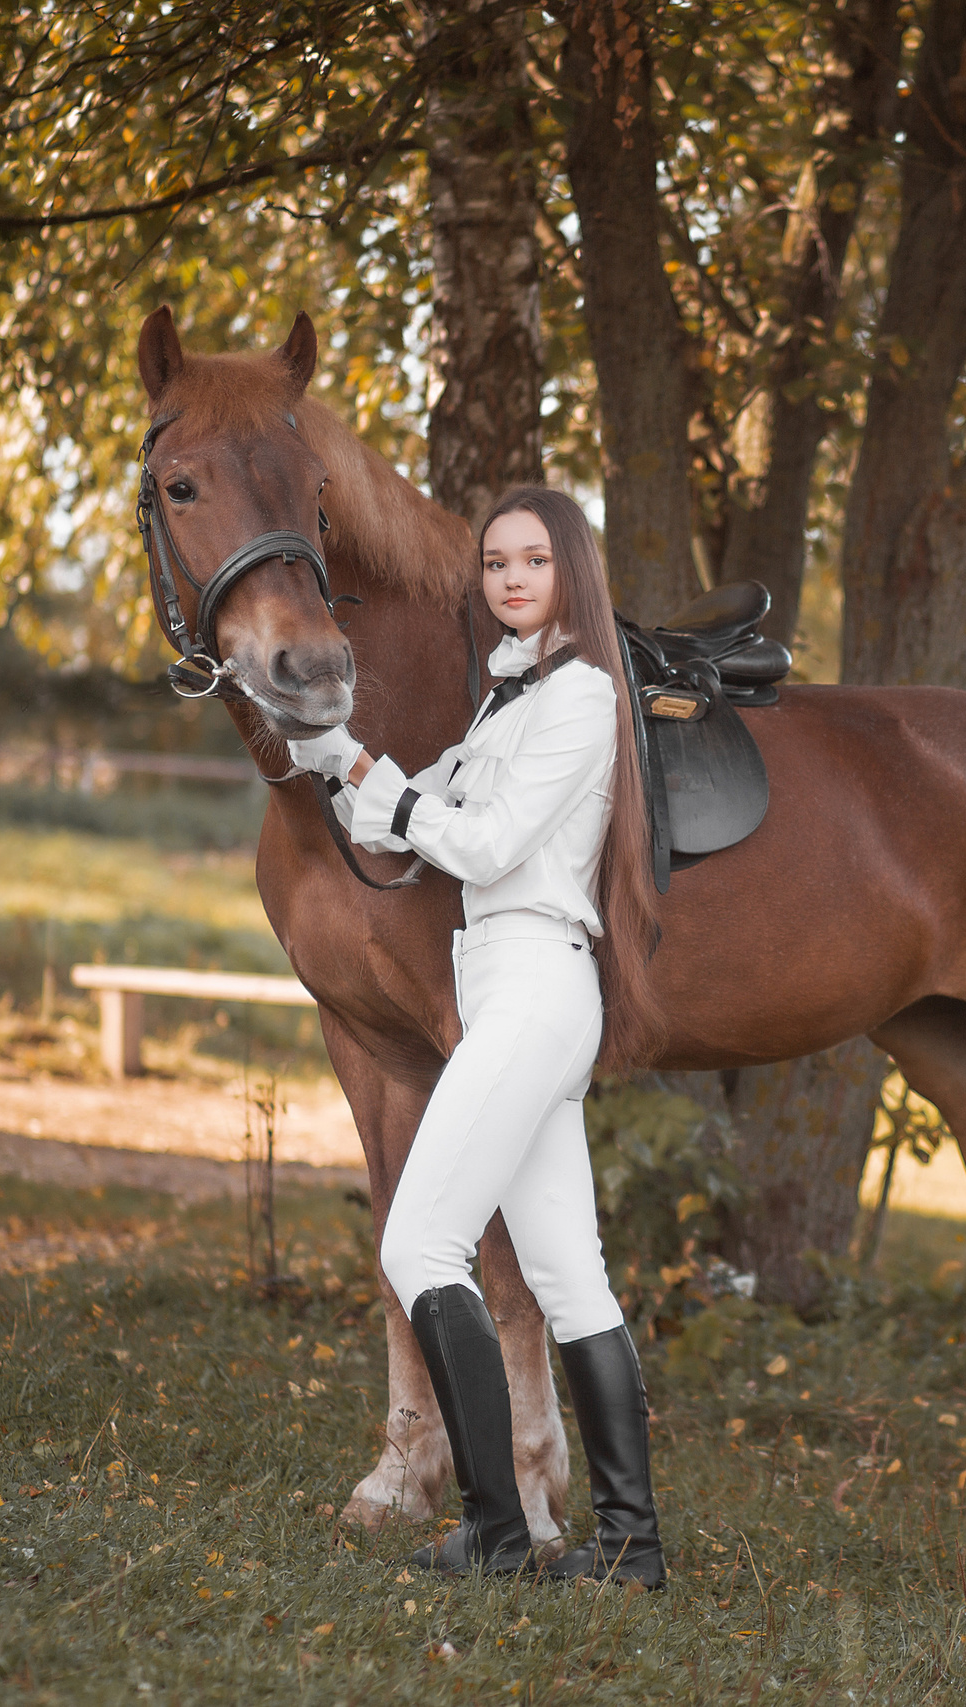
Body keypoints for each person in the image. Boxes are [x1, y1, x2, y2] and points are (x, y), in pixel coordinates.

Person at [285, 487, 666, 1587]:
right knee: (569, 1274)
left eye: (533, 561)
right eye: (494, 562)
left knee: (418, 1245)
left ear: (571, 575)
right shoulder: (504, 702)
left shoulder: (580, 696)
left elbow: (485, 845)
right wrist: (329, 749)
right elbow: (404, 811)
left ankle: (500, 1531)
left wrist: (370, 780)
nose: (508, 579)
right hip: (508, 981)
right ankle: (630, 1550)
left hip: (536, 979)